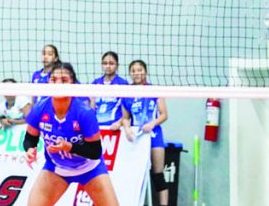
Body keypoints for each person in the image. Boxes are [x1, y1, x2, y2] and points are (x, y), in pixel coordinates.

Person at [22, 62, 119, 206]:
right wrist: (30, 149)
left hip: (90, 169)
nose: (58, 84)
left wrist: (69, 147)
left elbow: (95, 151)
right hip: (56, 169)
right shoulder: (40, 108)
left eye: (64, 80)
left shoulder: (84, 113)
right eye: (54, 80)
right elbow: (30, 138)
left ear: (73, 83)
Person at [121, 60, 170, 206]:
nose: (136, 73)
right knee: (135, 175)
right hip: (136, 137)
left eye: (139, 70)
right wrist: (127, 129)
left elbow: (164, 114)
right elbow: (125, 118)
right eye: (133, 70)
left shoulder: (153, 90)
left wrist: (152, 124)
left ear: (145, 71)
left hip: (154, 135)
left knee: (158, 175)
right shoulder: (127, 93)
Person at [91, 51, 128, 130]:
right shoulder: (95, 83)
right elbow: (91, 108)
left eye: (111, 63)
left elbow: (127, 110)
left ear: (117, 65)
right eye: (105, 63)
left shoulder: (123, 83)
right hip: (97, 128)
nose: (108, 66)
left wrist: (119, 122)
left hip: (115, 127)